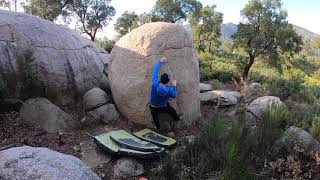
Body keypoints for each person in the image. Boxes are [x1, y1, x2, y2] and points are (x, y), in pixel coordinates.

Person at [149, 57, 180, 130]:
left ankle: (157, 127)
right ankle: (177, 119)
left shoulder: (155, 84)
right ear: (167, 82)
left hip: (153, 106)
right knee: (172, 110)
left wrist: (160, 62)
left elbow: (155, 72)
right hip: (162, 107)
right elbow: (174, 95)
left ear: (161, 79)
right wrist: (174, 86)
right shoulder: (169, 90)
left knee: (154, 116)